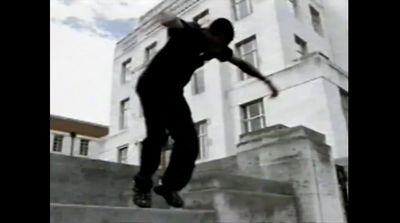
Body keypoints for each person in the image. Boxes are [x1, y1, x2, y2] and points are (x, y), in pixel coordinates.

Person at [133, 11, 279, 208]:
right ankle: (142, 185)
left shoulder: (217, 48)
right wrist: (168, 19)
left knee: (189, 142)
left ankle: (169, 186)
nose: (216, 50)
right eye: (216, 44)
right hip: (152, 86)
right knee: (157, 136)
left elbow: (241, 63)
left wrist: (266, 81)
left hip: (173, 93)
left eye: (220, 47)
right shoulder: (190, 33)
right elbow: (172, 21)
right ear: (211, 33)